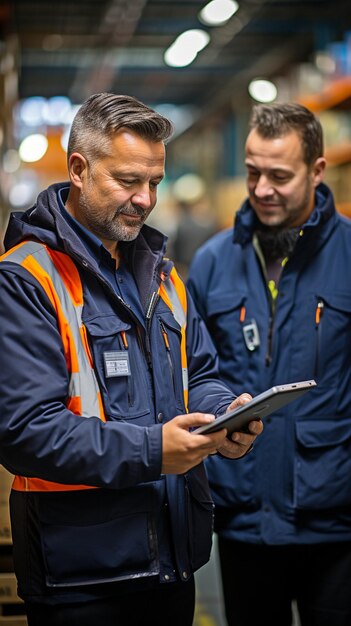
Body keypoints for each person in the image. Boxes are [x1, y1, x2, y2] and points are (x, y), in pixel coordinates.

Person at [0, 93, 262, 626]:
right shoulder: (26, 279)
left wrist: (224, 413)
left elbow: (201, 373)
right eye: (127, 180)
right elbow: (24, 432)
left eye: (155, 183)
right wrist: (153, 450)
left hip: (171, 561)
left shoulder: (161, 275)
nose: (145, 199)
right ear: (79, 168)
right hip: (82, 576)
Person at [187, 102, 351, 626]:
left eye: (279, 175)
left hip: (336, 523)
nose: (261, 189)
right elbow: (193, 372)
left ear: (316, 170)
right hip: (244, 517)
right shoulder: (214, 262)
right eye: (253, 171)